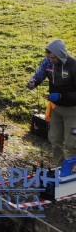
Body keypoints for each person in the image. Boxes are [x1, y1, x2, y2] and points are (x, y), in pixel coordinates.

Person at [27, 39, 76, 167]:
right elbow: (39, 74)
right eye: (49, 57)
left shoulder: (73, 66)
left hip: (72, 110)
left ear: (60, 55)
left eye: (53, 58)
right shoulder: (48, 62)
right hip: (55, 108)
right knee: (55, 139)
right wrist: (33, 82)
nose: (51, 60)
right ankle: (60, 167)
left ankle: (72, 171)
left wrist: (61, 96)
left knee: (72, 143)